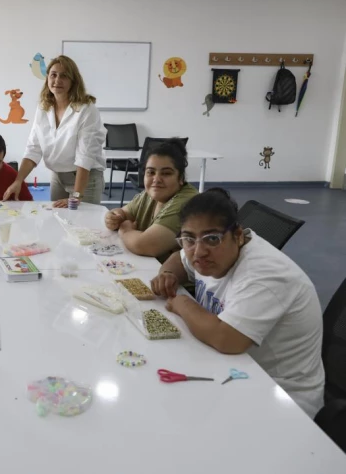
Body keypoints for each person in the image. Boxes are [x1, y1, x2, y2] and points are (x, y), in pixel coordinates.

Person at [151, 188, 324, 418]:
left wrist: (182, 303)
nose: (198, 252)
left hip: (282, 398)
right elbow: (179, 259)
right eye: (188, 239)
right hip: (233, 369)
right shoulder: (209, 254)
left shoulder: (264, 276)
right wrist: (168, 274)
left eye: (212, 238)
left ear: (238, 235)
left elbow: (227, 339)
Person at [4, 55, 106, 207]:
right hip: (58, 176)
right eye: (53, 75)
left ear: (73, 81)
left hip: (85, 178)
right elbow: (33, 148)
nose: (57, 80)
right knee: (56, 218)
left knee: (82, 220)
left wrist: (76, 196)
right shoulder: (44, 107)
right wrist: (18, 181)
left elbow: (85, 157)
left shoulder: (87, 110)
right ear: (47, 79)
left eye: (64, 76)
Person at [104, 138, 198, 262]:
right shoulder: (150, 194)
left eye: (166, 173)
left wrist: (125, 231)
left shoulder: (187, 202)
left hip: (171, 274)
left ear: (181, 178)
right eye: (151, 172)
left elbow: (145, 245)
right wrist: (114, 217)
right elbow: (124, 213)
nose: (156, 179)